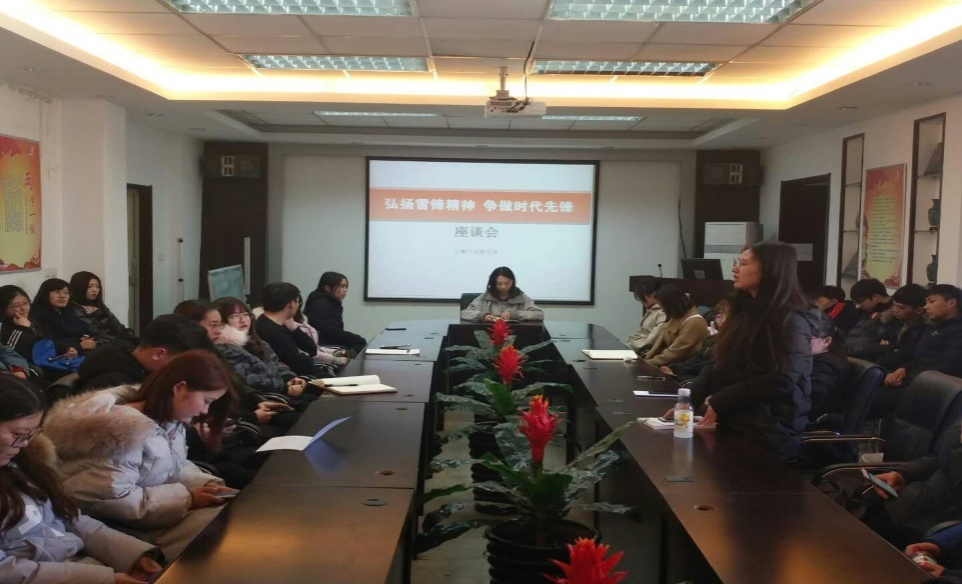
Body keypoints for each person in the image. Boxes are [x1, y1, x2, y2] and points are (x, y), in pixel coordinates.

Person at [43, 350, 238, 561]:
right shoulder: (120, 432)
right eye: (206, 400)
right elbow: (114, 498)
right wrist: (188, 498)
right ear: (179, 388)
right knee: (219, 538)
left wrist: (204, 484)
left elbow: (168, 466)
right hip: (112, 525)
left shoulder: (168, 420)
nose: (205, 411)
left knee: (227, 521)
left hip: (151, 511)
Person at [0, 376, 164, 584]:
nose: (25, 443)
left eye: (32, 433)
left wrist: (133, 555)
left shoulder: (23, 464)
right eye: (18, 433)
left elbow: (69, 517)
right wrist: (103, 579)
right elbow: (6, 571)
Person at [686, 242, 816, 464]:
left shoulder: (791, 320)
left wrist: (720, 400)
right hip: (736, 419)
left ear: (770, 270)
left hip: (767, 430)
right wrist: (689, 399)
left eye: (744, 263)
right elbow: (721, 363)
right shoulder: (745, 311)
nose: (735, 269)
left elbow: (782, 379)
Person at [173, 299, 295, 429]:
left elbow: (235, 382)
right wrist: (252, 416)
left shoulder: (211, 350)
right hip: (227, 422)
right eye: (213, 325)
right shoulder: (190, 360)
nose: (218, 330)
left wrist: (257, 400)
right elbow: (214, 407)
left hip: (243, 412)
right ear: (191, 326)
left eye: (220, 325)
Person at [861, 417, 962, 549]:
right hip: (910, 503)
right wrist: (902, 474)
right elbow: (938, 459)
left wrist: (958, 445)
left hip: (935, 528)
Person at [76, 314, 213, 393]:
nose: (184, 372)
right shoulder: (113, 385)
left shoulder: (139, 365)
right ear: (158, 354)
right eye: (181, 364)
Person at [213, 296, 312, 394]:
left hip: (282, 390)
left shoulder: (258, 342)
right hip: (267, 397)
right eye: (234, 316)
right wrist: (285, 389)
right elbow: (249, 380)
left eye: (246, 314)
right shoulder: (225, 349)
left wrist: (289, 378)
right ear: (221, 323)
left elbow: (277, 364)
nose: (243, 320)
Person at [885, 284, 962, 389]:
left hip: (935, 388)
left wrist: (907, 378)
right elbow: (919, 359)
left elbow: (947, 367)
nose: (926, 307)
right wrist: (903, 369)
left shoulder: (958, 331)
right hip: (916, 381)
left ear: (951, 303)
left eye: (931, 301)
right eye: (926, 303)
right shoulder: (932, 328)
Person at [255, 283, 332, 379]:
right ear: (291, 304)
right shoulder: (274, 333)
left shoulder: (265, 321)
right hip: (300, 380)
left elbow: (312, 350)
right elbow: (300, 364)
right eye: (297, 301)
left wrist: (295, 329)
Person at [660, 297, 730, 380]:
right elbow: (696, 359)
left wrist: (676, 374)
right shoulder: (711, 339)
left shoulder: (731, 344)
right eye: (720, 315)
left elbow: (706, 368)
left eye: (728, 315)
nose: (723, 320)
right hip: (688, 377)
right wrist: (672, 368)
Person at [643, 285, 709, 368]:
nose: (662, 310)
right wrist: (645, 361)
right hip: (664, 363)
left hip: (679, 367)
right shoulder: (675, 317)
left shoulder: (694, 322)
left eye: (663, 306)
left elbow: (676, 353)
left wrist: (647, 364)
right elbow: (660, 345)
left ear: (672, 305)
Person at [30, 278, 96, 358]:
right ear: (45, 294)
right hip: (56, 357)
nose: (62, 296)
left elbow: (82, 327)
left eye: (66, 292)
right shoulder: (38, 314)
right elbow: (49, 342)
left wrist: (84, 337)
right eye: (57, 292)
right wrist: (79, 346)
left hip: (77, 351)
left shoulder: (67, 310)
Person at [303, 272, 368, 353]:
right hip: (323, 343)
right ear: (328, 288)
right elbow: (331, 332)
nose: (345, 290)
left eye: (346, 286)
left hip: (327, 340)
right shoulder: (321, 304)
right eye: (342, 286)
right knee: (359, 342)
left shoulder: (327, 302)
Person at [68, 271, 135, 346]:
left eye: (97, 286)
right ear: (78, 287)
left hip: (113, 342)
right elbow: (95, 332)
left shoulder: (99, 305)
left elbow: (117, 325)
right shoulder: (74, 309)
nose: (95, 290)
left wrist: (128, 335)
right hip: (98, 345)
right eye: (90, 286)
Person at [460, 267, 544, 324]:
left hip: (515, 333)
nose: (503, 287)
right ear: (493, 283)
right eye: (499, 284)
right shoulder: (485, 297)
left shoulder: (520, 296)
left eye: (507, 283)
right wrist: (483, 316)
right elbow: (464, 313)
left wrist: (515, 315)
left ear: (512, 281)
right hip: (489, 334)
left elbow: (539, 314)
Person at [807, 311, 850, 423]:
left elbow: (811, 401)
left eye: (806, 338)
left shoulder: (826, 365)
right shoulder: (814, 359)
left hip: (809, 423)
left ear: (826, 341)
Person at [845, 278, 899, 361]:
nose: (859, 305)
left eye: (860, 301)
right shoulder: (863, 312)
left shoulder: (897, 314)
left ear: (875, 296)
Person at [0, 285, 43, 364]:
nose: (23, 308)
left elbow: (43, 342)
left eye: (25, 303)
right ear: (3, 308)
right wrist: (22, 329)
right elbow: (9, 354)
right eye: (17, 305)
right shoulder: (2, 326)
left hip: (43, 360)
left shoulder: (32, 318)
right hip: (25, 365)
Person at [626, 279, 666, 353]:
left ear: (653, 295)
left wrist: (629, 347)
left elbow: (651, 341)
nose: (641, 300)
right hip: (636, 347)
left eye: (642, 296)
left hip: (644, 351)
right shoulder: (652, 310)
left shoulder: (662, 313)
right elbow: (639, 333)